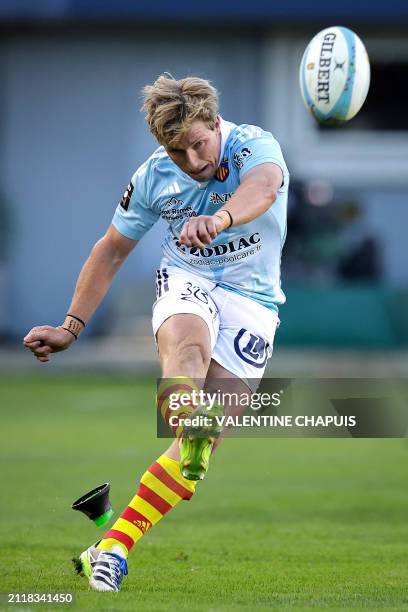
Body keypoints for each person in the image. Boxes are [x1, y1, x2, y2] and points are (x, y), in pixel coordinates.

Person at [23, 74, 289, 592]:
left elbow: (263, 188)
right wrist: (71, 327)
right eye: (176, 151)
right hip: (188, 278)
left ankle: (112, 542)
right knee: (188, 349)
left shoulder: (254, 144)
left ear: (215, 123)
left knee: (198, 452)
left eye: (198, 144)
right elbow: (111, 248)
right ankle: (184, 405)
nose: (191, 161)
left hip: (254, 303)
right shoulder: (151, 178)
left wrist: (221, 217)